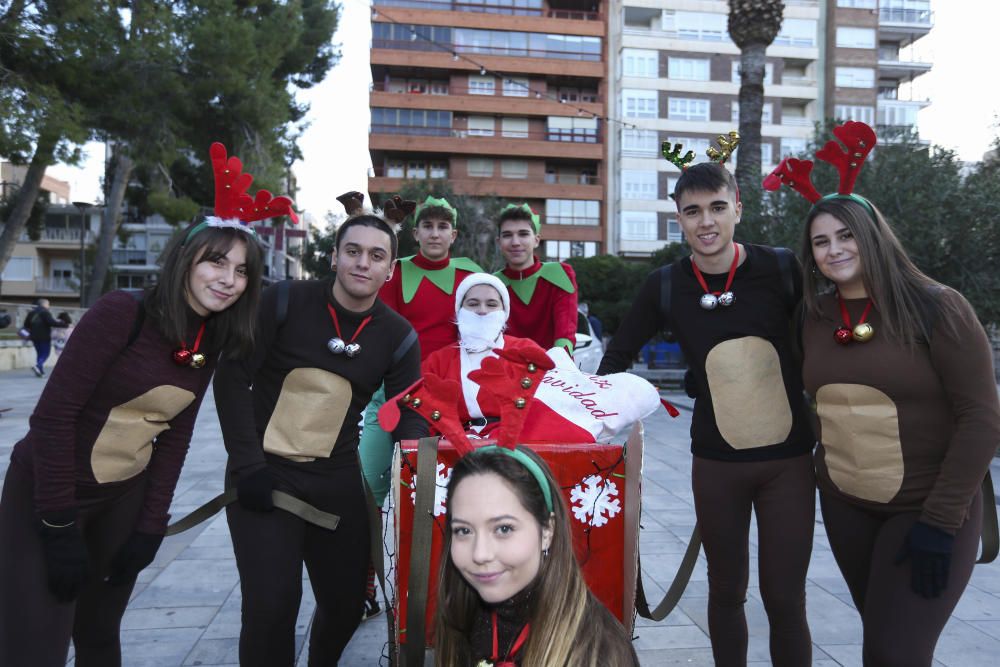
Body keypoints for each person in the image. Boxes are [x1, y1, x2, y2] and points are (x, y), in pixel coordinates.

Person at [766, 120, 1000, 665]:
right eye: (821, 241)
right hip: (848, 508)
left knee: (893, 655)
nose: (834, 249)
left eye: (846, 235)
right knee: (883, 642)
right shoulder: (815, 315)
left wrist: (940, 524)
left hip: (928, 511)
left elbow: (982, 418)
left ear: (872, 235)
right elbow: (806, 397)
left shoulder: (938, 307)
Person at [0, 218, 264, 667]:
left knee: (100, 634)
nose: (228, 280)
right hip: (46, 498)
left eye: (242, 271)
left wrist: (149, 526)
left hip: (121, 498)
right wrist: (59, 525)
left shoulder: (211, 338)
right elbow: (52, 418)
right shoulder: (122, 312)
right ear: (186, 257)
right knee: (34, 646)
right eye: (217, 261)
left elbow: (176, 436)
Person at [598, 158, 816, 666]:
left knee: (785, 598)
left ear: (737, 208)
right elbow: (617, 357)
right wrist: (597, 414)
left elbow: (822, 340)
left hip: (789, 462)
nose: (707, 221)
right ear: (679, 219)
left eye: (718, 207)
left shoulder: (782, 268)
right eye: (693, 211)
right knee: (726, 592)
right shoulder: (666, 285)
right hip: (717, 464)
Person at [213, 207, 429, 666]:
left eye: (375, 255)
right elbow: (231, 376)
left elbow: (411, 413)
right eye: (352, 251)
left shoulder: (398, 336)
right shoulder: (284, 301)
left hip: (336, 480)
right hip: (263, 474)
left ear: (390, 270)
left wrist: (418, 470)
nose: (362, 263)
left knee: (348, 603)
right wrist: (247, 465)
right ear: (333, 257)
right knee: (271, 606)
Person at [358, 195, 481, 618]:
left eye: (442, 226)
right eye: (426, 225)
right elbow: (380, 329)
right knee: (367, 491)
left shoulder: (471, 275)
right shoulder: (397, 272)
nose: (434, 233)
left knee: (437, 498)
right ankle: (364, 587)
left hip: (450, 402)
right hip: (390, 395)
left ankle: (443, 592)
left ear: (454, 234)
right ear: (416, 233)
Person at [434, 445, 639, 666]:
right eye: (463, 530)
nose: (480, 554)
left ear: (547, 531)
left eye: (504, 529)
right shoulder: (461, 610)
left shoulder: (598, 655)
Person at [422, 272, 542, 433]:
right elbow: (422, 417)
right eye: (473, 304)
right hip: (453, 448)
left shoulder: (526, 352)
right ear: (460, 310)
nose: (482, 310)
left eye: (492, 304)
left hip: (513, 447)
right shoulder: (438, 361)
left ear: (504, 312)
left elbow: (545, 409)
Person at [493, 204, 578, 354]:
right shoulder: (493, 284)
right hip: (506, 370)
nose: (515, 242)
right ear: (499, 242)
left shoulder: (560, 274)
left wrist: (561, 360)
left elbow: (565, 332)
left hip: (553, 369)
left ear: (536, 240)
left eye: (523, 234)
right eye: (507, 235)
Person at [25, 298, 69, 376]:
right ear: (44, 304)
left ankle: (40, 371)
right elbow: (51, 322)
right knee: (45, 353)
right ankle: (38, 366)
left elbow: (26, 325)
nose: (49, 306)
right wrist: (65, 325)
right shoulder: (45, 312)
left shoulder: (31, 313)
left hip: (34, 336)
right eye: (48, 304)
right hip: (44, 336)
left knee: (39, 353)